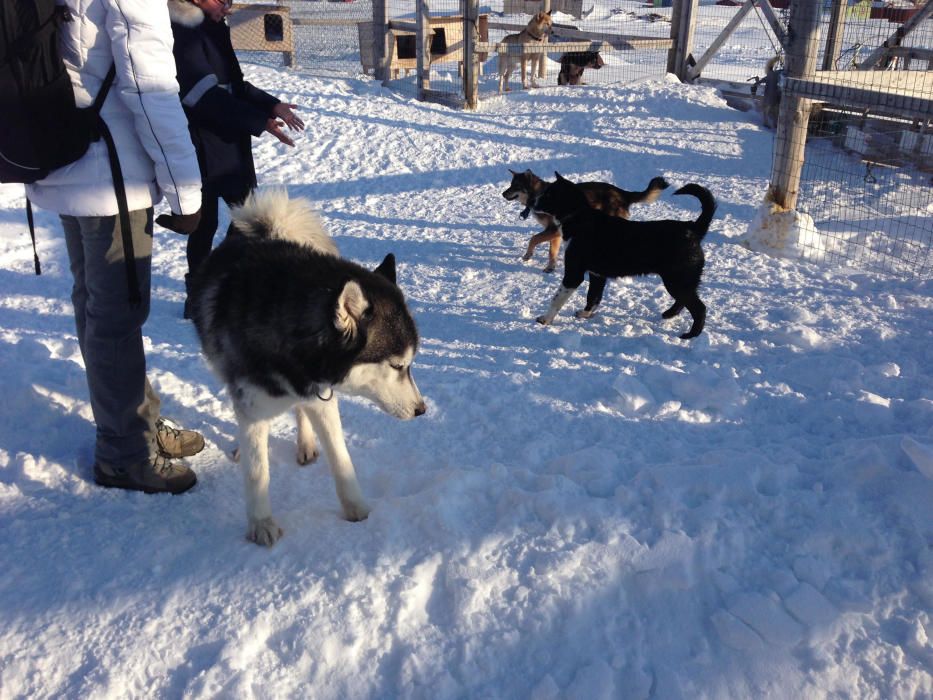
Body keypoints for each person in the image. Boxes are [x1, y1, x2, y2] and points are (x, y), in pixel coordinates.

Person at [26, 0, 206, 495]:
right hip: (111, 179)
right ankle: (124, 454)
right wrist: (186, 191)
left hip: (62, 156)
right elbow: (150, 91)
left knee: (94, 308)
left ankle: (137, 424)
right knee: (116, 317)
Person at [166, 0, 304, 317]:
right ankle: (199, 295)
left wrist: (270, 105)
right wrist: (258, 122)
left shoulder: (213, 25)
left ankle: (225, 282)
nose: (227, 8)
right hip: (201, 140)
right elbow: (201, 94)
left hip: (230, 138)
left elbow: (234, 84)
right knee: (205, 223)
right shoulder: (182, 31)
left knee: (248, 217)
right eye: (221, 0)